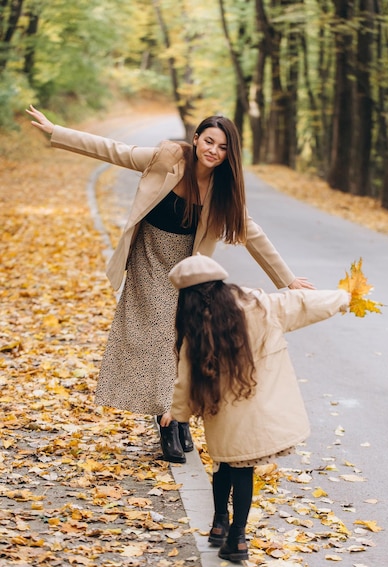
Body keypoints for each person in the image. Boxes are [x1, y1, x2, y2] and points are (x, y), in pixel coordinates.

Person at [26, 104, 314, 464]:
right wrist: (57, 132)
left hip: (188, 269)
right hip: (148, 259)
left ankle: (178, 415)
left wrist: (287, 279)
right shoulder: (168, 157)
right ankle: (168, 424)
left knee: (183, 341)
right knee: (163, 337)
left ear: (230, 154)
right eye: (209, 142)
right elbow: (114, 150)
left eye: (223, 148)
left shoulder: (222, 189)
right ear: (196, 139)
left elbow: (251, 233)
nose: (214, 151)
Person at [165, 254, 351, 561]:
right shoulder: (259, 305)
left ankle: (218, 525)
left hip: (221, 413)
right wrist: (343, 298)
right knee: (243, 469)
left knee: (223, 464)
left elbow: (184, 380)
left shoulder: (195, 329)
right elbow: (303, 304)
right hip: (255, 409)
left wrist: (177, 415)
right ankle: (237, 537)